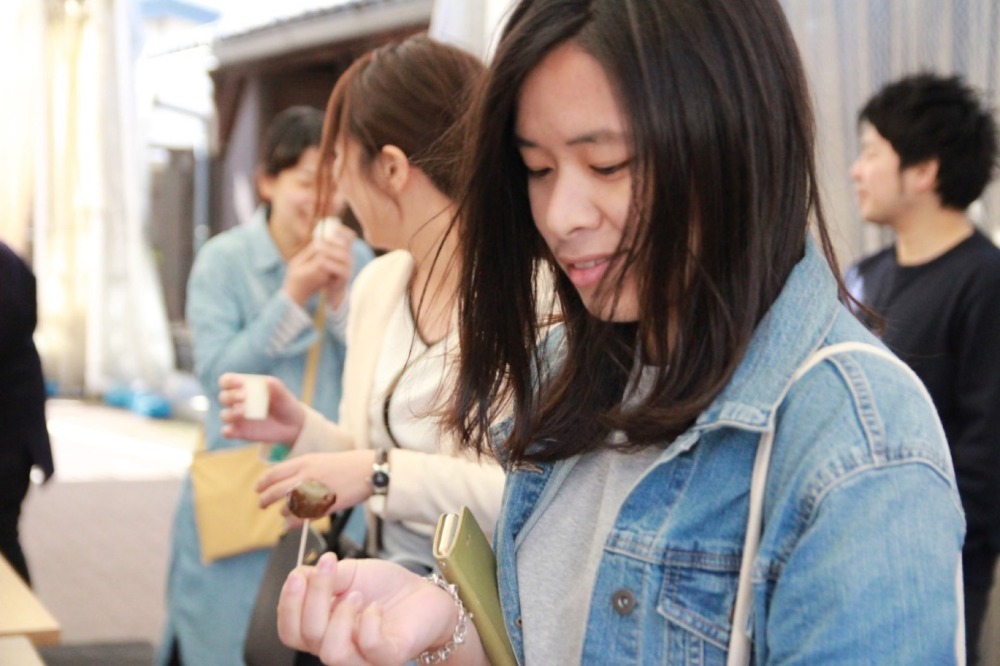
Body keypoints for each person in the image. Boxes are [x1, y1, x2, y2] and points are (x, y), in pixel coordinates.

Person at [274, 1, 968, 664]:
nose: (561, 214)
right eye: (537, 169)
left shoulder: (857, 447)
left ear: (731, 140)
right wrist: (444, 628)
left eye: (607, 165)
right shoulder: (561, 374)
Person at [219, 35, 505, 577]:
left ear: (393, 169)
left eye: (341, 164)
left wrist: (379, 474)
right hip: (381, 597)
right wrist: (301, 427)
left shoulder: (530, 295)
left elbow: (529, 499)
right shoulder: (378, 282)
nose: (340, 191)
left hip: (477, 624)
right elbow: (366, 454)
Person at [157, 106, 374, 666]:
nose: (321, 200)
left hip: (323, 489)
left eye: (333, 185)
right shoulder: (224, 261)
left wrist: (343, 299)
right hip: (239, 486)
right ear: (268, 182)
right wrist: (292, 295)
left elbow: (376, 377)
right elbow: (218, 373)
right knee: (220, 640)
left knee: (306, 639)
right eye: (306, 182)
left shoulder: (361, 262)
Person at [846, 72, 1000, 664]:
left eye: (870, 153)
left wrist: (938, 541)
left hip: (936, 560)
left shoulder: (984, 281)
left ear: (924, 171)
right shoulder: (866, 275)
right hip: (855, 543)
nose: (856, 171)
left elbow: (988, 451)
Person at [0, 241, 54, 586]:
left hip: (8, 439)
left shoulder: (5, 268)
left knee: (3, 542)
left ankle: (21, 634)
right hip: (14, 432)